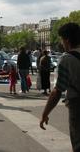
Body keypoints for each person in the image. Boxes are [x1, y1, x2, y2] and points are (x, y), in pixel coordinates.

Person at [40, 23, 80, 152]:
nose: (62, 43)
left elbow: (57, 91)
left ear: (67, 40)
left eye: (62, 39)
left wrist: (45, 113)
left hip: (77, 105)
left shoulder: (66, 59)